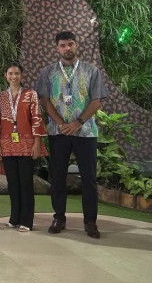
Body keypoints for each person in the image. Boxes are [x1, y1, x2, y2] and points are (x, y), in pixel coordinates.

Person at [35, 31, 107, 239]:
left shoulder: (91, 71)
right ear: (57, 48)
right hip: (58, 133)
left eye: (71, 44)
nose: (68, 48)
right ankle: (59, 218)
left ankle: (90, 222)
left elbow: (97, 101)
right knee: (57, 177)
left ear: (77, 46)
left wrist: (78, 123)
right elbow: (44, 100)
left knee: (89, 179)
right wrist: (61, 123)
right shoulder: (48, 72)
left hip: (85, 132)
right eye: (63, 45)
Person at [0, 62, 47, 232]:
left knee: (25, 183)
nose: (13, 77)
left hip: (27, 144)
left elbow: (37, 118)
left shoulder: (31, 95)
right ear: (5, 76)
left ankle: (27, 221)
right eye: (10, 73)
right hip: (6, 145)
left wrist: (37, 143)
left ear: (22, 76)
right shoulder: (0, 97)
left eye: (16, 73)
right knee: (12, 183)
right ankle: (14, 218)